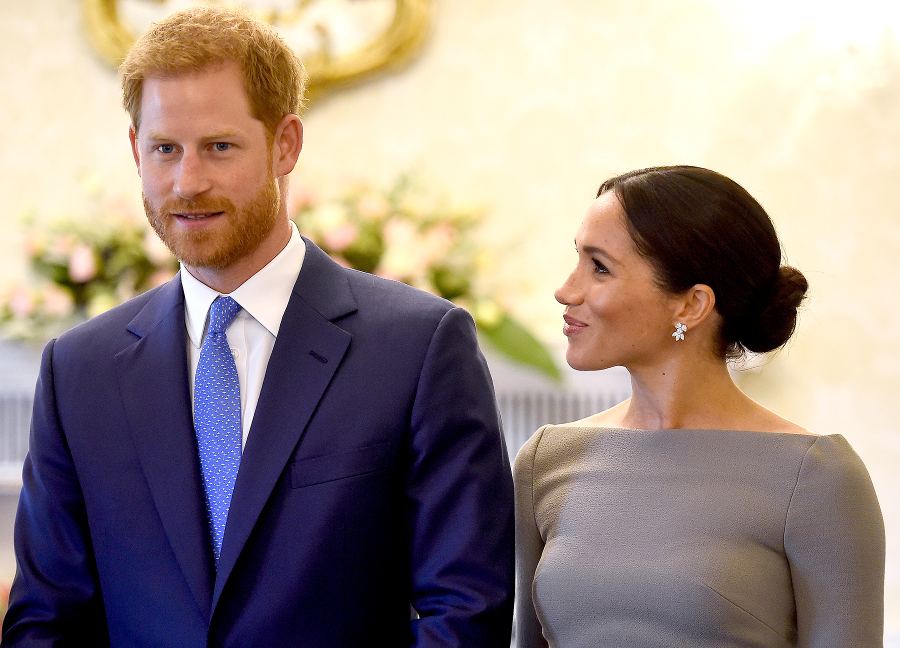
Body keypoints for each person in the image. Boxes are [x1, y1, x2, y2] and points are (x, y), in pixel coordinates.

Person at [3, 7, 514, 646]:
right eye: (165, 149)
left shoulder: (418, 347)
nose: (188, 182)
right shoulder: (77, 370)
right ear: (136, 150)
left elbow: (464, 611)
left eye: (219, 147)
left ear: (285, 145)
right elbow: (45, 621)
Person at [514, 165, 885, 647]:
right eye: (577, 260)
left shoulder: (816, 477)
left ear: (690, 306)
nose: (566, 290)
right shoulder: (546, 460)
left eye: (599, 266)